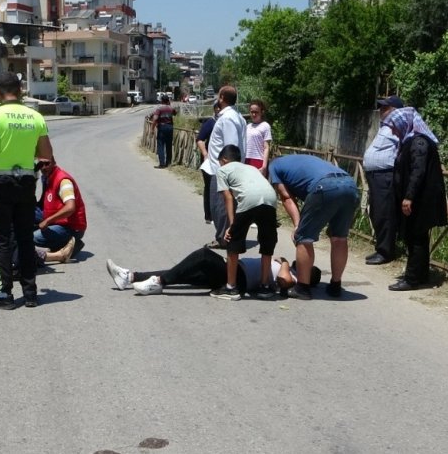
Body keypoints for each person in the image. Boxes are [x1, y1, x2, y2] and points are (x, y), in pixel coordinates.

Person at [0, 71, 53, 309]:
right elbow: (46, 154)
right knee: (25, 238)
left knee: (1, 240)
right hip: (26, 182)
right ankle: (30, 294)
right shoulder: (35, 116)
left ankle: (4, 295)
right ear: (20, 91)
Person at [269, 154, 359, 300]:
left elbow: (286, 197)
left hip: (325, 186)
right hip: (350, 185)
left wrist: (298, 225)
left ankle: (302, 288)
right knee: (339, 238)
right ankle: (336, 285)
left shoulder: (273, 166)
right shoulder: (298, 160)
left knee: (304, 238)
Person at [383, 107, 448, 291]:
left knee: (415, 237)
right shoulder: (413, 140)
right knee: (418, 238)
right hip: (418, 199)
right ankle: (421, 275)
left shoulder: (419, 142)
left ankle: (411, 279)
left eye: (395, 126)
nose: (393, 130)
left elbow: (418, 172)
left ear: (404, 124)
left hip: (420, 200)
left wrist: (409, 197)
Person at [106, 248, 320, 298]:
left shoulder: (291, 277)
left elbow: (282, 280)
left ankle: (158, 281)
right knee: (185, 272)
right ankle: (130, 277)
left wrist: (283, 263)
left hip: (240, 278)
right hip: (235, 270)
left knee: (204, 256)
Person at [210, 145, 278, 300]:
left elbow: (228, 198)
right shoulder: (251, 168)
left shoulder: (222, 170)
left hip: (249, 199)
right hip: (270, 199)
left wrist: (231, 226)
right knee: (267, 243)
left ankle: (231, 288)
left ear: (224, 160)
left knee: (233, 243)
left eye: (220, 162)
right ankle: (265, 287)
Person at [200, 85, 246, 249]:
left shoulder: (227, 119)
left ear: (222, 98)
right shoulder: (236, 116)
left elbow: (231, 145)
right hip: (221, 168)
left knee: (219, 206)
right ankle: (226, 236)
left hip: (221, 170)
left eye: (218, 95)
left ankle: (224, 238)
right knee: (224, 205)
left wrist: (227, 170)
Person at [362, 95, 403, 265]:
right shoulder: (385, 127)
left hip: (386, 175)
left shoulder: (400, 126)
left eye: (385, 108)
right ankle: (381, 248)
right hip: (376, 176)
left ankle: (386, 252)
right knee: (376, 212)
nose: (381, 111)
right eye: (381, 108)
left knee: (384, 213)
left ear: (396, 111)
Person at [0, 212, 75, 271]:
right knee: (18, 249)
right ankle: (59, 256)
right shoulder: (1, 220)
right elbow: (11, 243)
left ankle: (50, 253)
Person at [35, 157, 87, 255]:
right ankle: (60, 244)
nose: (44, 167)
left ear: (54, 162)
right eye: (41, 165)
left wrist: (47, 221)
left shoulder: (63, 181)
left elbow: (70, 207)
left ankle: (67, 243)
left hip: (71, 226)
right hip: (57, 219)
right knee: (25, 213)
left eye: (47, 164)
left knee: (33, 237)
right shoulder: (46, 177)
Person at [196, 101, 221, 224]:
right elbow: (200, 139)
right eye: (217, 109)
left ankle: (219, 214)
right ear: (214, 110)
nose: (219, 111)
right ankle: (209, 215)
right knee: (210, 187)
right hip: (209, 160)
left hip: (222, 160)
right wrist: (205, 154)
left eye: (221, 109)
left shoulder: (225, 123)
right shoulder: (210, 123)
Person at [244, 99, 272, 174]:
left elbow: (266, 147)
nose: (253, 114)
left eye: (256, 112)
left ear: (261, 112)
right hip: (246, 160)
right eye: (252, 112)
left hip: (258, 161)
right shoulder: (247, 126)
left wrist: (264, 166)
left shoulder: (265, 126)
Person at [150, 93, 177, 168]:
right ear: (168, 100)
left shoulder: (159, 108)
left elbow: (155, 119)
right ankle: (168, 162)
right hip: (170, 127)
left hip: (162, 127)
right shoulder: (171, 108)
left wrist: (152, 129)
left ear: (162, 101)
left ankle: (162, 163)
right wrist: (170, 105)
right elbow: (175, 113)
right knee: (169, 145)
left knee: (160, 145)